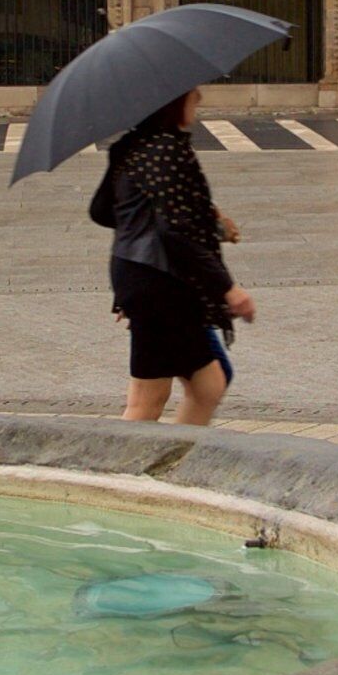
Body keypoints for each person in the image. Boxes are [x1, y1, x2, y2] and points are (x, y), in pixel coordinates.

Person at [95, 87, 255, 423]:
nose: (199, 97)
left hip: (139, 275)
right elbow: (176, 232)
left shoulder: (131, 145)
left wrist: (200, 217)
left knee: (198, 386)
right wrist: (229, 288)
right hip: (161, 281)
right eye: (191, 92)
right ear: (170, 101)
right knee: (154, 397)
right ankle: (133, 468)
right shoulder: (166, 149)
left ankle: (162, 462)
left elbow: (102, 210)